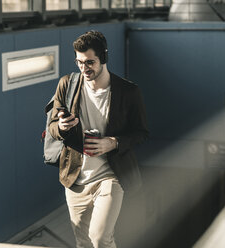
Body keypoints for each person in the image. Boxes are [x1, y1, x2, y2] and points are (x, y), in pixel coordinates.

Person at [48, 30, 149, 248]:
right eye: (79, 62)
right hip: (76, 178)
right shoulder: (67, 85)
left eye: (90, 62)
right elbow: (52, 128)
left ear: (103, 57)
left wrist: (113, 142)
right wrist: (62, 127)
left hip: (111, 175)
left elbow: (141, 132)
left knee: (100, 238)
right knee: (83, 243)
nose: (84, 68)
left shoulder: (128, 92)